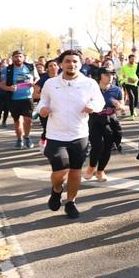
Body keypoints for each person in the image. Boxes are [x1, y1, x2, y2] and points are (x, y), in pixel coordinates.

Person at [38, 50, 105, 219]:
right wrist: (42, 110)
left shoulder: (89, 83)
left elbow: (99, 101)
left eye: (75, 61)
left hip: (79, 134)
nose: (71, 64)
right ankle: (56, 189)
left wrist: (93, 106)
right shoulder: (51, 83)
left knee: (75, 171)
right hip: (56, 135)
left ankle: (70, 202)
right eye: (67, 61)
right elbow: (42, 102)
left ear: (80, 64)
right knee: (60, 171)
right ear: (61, 64)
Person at [83, 69, 125, 182]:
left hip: (110, 120)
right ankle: (91, 168)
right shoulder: (92, 89)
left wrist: (118, 105)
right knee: (98, 145)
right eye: (106, 74)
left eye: (112, 75)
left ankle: (100, 171)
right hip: (95, 119)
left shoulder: (116, 90)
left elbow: (122, 106)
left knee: (108, 146)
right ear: (99, 76)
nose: (110, 77)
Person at [0, 50, 37, 149]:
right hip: (13, 99)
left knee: (28, 120)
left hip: (27, 98)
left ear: (23, 58)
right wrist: (9, 88)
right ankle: (19, 139)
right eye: (15, 57)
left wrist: (33, 82)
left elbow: (37, 78)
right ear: (12, 58)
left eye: (20, 56)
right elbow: (1, 85)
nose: (18, 58)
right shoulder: (7, 70)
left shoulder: (30, 67)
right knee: (17, 121)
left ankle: (27, 137)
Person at [33, 59, 58, 147]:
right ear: (47, 68)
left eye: (55, 65)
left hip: (59, 108)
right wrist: (49, 96)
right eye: (50, 66)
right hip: (45, 108)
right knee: (47, 129)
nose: (53, 67)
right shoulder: (43, 80)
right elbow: (35, 95)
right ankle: (44, 141)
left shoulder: (63, 79)